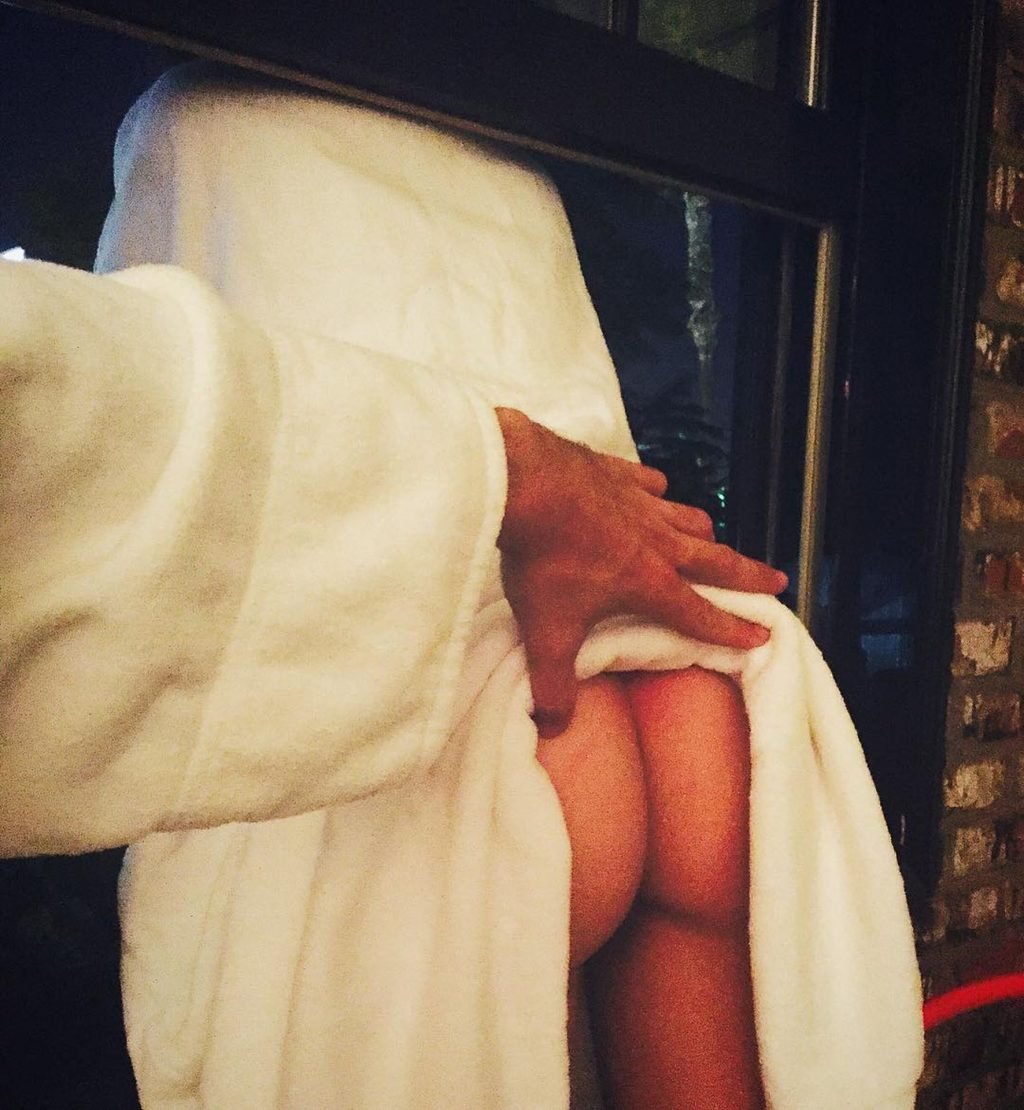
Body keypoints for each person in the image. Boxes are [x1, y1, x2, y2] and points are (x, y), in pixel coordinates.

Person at [2, 63, 788, 1108]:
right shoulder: (513, 124)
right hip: (666, 689)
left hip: (416, 731)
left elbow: (125, 466)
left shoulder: (191, 113)